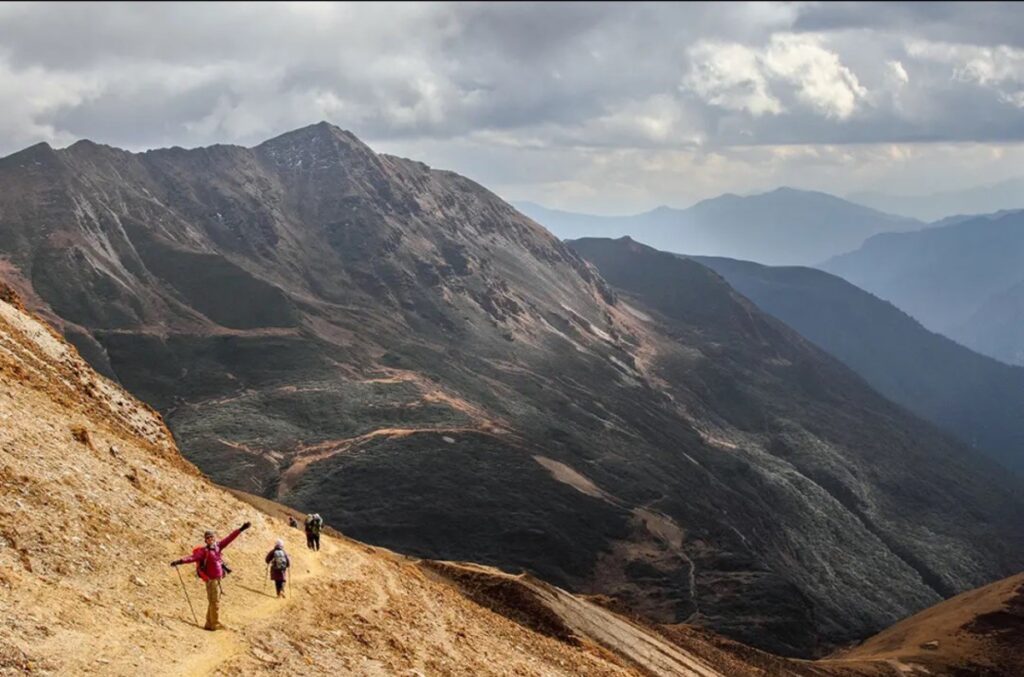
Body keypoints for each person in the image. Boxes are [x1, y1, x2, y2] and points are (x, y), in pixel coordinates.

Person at [171, 521, 251, 630]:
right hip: (210, 580)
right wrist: (180, 561)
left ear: (214, 538)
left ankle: (209, 623)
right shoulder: (204, 551)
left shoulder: (218, 546)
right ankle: (215, 623)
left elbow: (229, 538)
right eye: (208, 538)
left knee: (212, 602)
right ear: (205, 540)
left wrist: (241, 529)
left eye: (211, 537)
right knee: (215, 602)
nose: (210, 539)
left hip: (217, 579)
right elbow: (192, 558)